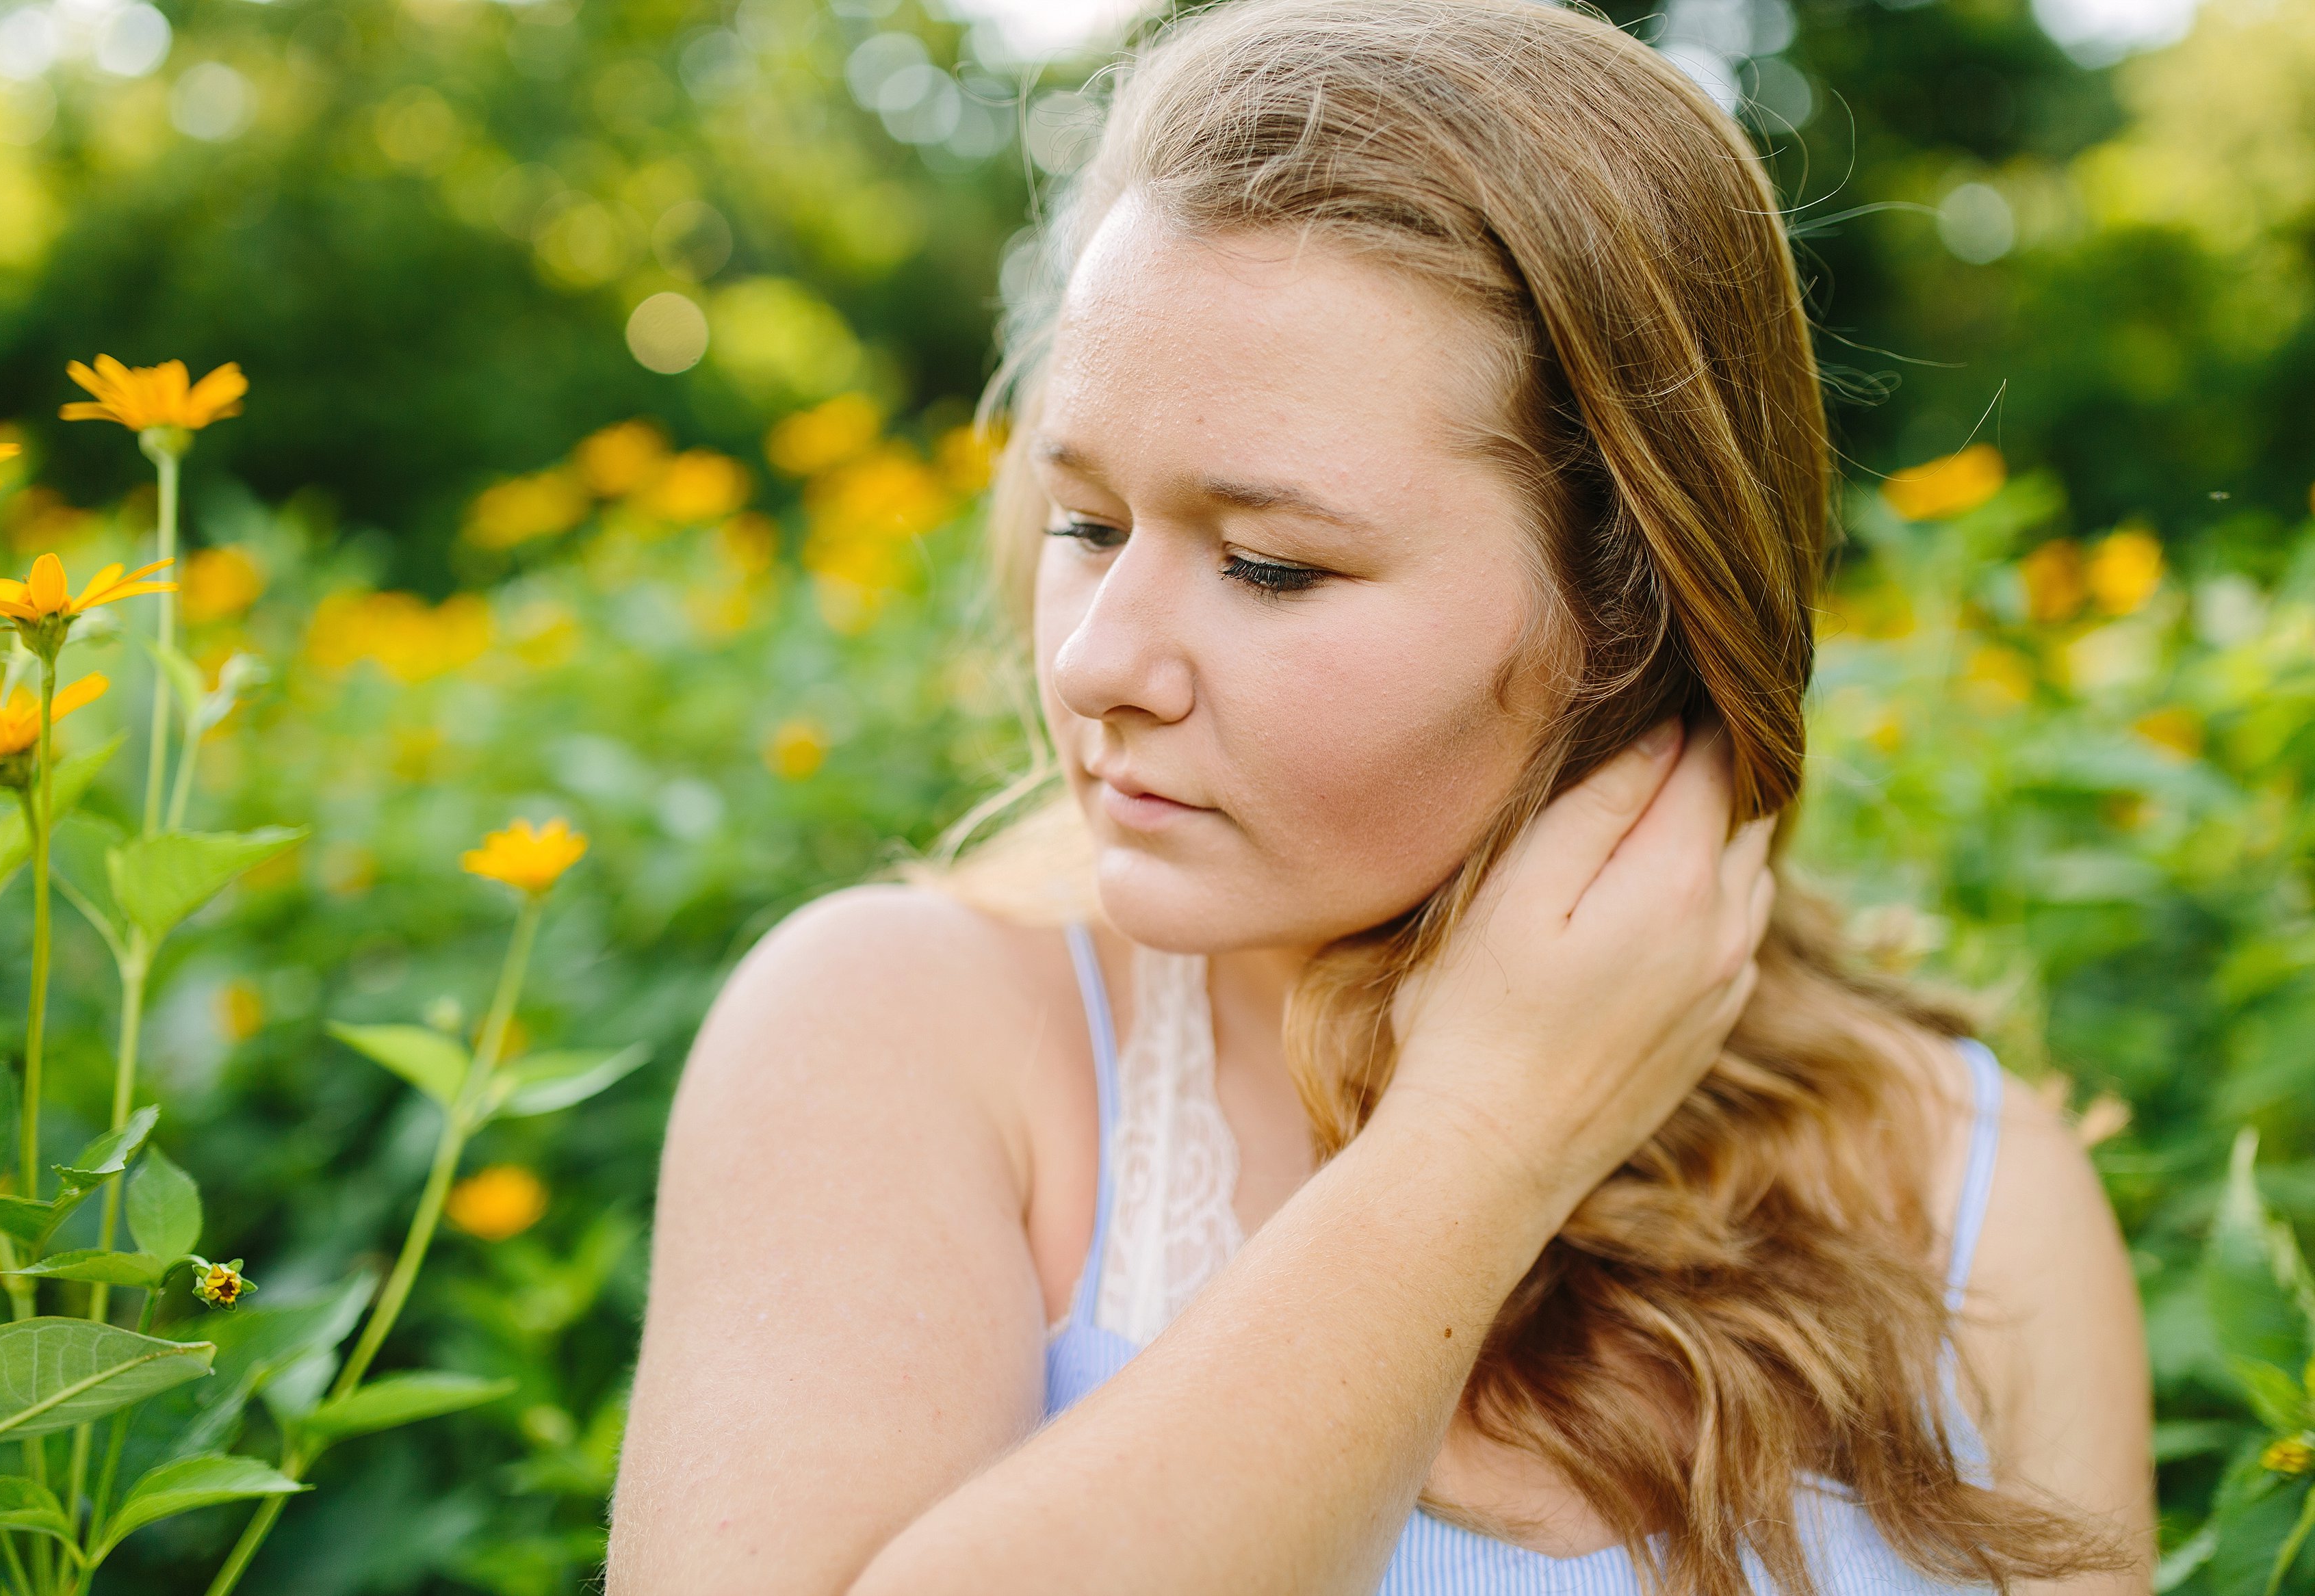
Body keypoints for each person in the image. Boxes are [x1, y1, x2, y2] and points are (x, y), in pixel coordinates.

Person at [606, 2, 2154, 1591]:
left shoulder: (1969, 1196)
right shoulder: (901, 1038)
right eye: (1084, 521)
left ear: (1633, 612)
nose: (1095, 664)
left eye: (1270, 565)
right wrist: (1479, 1145)